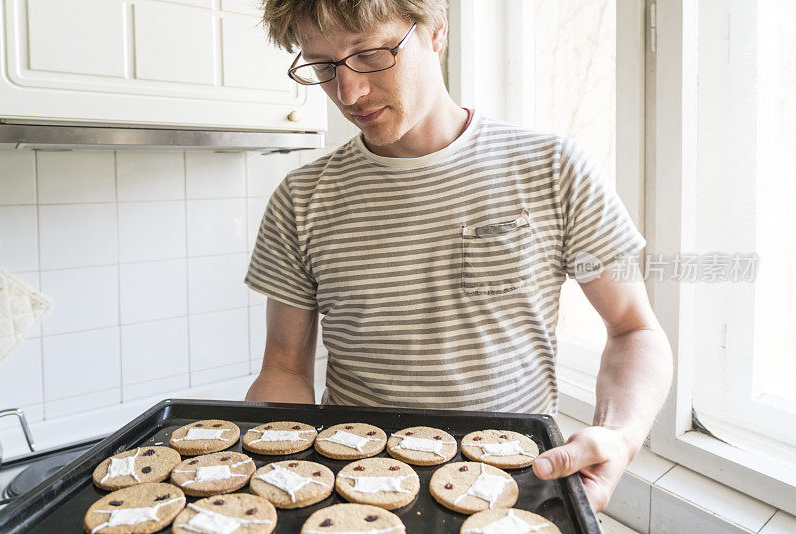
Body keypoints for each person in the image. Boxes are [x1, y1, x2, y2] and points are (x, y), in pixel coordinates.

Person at [244, 0, 673, 513]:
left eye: (371, 54)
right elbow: (285, 368)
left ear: (435, 31)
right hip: (359, 493)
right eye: (323, 65)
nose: (348, 92)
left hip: (513, 489)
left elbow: (634, 330)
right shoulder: (302, 197)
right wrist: (273, 471)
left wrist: (620, 435)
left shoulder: (553, 168)